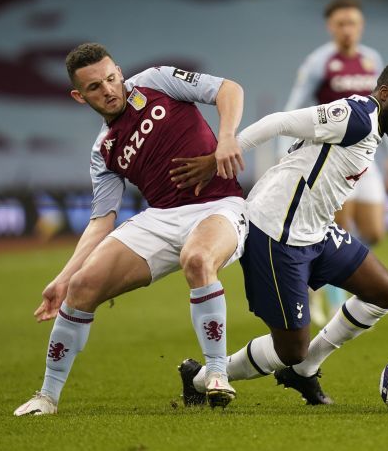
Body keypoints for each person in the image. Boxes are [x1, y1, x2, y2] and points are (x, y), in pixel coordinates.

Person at [171, 63, 388, 405]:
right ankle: (201, 378)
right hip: (277, 234)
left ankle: (305, 370)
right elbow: (278, 121)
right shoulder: (354, 115)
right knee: (290, 349)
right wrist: (220, 155)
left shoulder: (370, 128)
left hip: (317, 232)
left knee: (385, 292)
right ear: (384, 93)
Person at [14, 43, 248, 415]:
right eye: (94, 87)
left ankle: (217, 373)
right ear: (79, 96)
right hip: (161, 216)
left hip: (219, 205)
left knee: (199, 258)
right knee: (81, 287)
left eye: (110, 79)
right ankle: (47, 396)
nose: (107, 90)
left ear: (119, 72)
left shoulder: (157, 81)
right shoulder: (103, 150)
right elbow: (101, 221)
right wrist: (62, 277)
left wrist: (227, 138)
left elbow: (228, 89)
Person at [279, 0, 388, 324]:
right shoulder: (319, 63)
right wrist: (285, 157)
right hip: (331, 160)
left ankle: (312, 276)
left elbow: (384, 112)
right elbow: (295, 108)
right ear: (330, 27)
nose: (348, 29)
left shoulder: (373, 60)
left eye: (353, 23)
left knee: (375, 231)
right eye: (341, 24)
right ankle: (336, 303)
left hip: (368, 157)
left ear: (361, 26)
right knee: (340, 229)